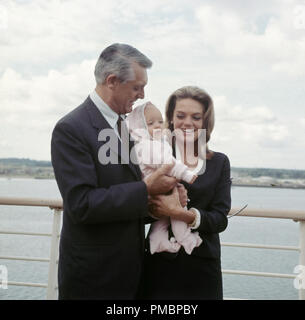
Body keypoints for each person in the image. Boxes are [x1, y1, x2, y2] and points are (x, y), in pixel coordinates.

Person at [51, 43, 190, 299]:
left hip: (130, 272)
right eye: (137, 87)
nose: (142, 94)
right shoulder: (71, 129)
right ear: (112, 80)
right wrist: (147, 189)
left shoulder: (122, 126)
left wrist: (165, 203)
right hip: (94, 277)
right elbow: (82, 204)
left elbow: (125, 198)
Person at [140, 86, 232, 300]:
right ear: (170, 119)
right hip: (158, 266)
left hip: (201, 271)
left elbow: (220, 219)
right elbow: (136, 208)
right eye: (180, 115)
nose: (187, 123)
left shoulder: (219, 162)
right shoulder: (154, 156)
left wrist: (183, 214)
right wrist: (157, 210)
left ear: (205, 122)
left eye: (196, 117)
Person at [126, 101, 202, 255]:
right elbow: (168, 163)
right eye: (151, 123)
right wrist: (185, 173)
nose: (158, 126)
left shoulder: (158, 144)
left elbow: (220, 217)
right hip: (159, 190)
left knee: (166, 220)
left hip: (202, 266)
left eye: (160, 122)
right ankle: (185, 239)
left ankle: (157, 240)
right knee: (171, 215)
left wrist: (181, 214)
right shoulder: (148, 146)